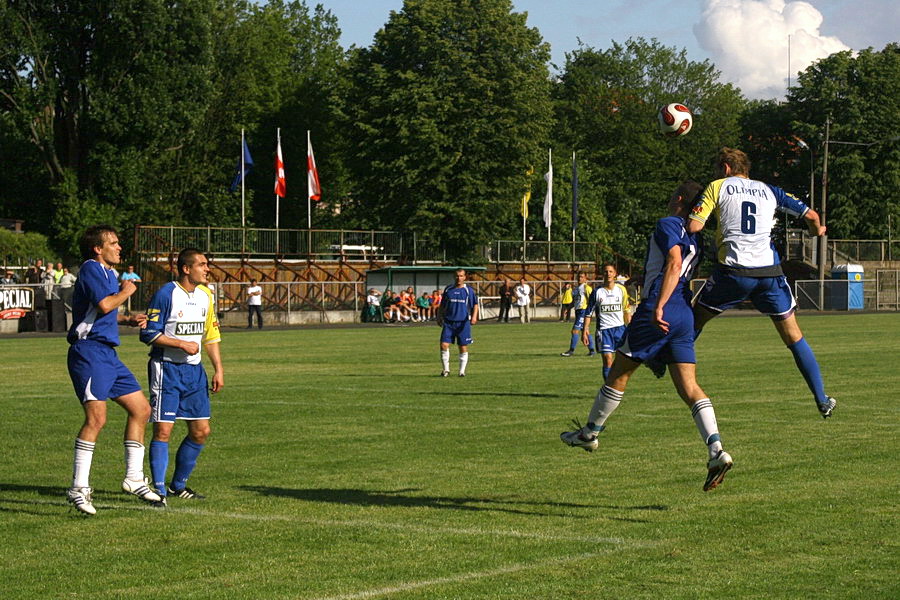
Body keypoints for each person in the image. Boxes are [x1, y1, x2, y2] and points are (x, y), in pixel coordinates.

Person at [560, 181, 733, 492]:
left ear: (679, 197)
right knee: (689, 386)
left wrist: (660, 305)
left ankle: (589, 434)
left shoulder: (669, 223)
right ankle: (716, 449)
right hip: (684, 311)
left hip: (661, 306)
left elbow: (674, 261)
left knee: (618, 373)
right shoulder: (699, 236)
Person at [687, 147, 836, 419]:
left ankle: (664, 362)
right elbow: (813, 217)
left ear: (726, 168)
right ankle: (822, 398)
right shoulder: (769, 190)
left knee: (694, 320)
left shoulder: (717, 187)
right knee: (794, 337)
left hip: (733, 272)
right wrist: (818, 231)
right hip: (768, 273)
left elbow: (695, 226)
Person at [65, 225, 163, 515]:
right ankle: (78, 489)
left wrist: (128, 319)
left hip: (107, 353)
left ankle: (133, 478)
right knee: (96, 419)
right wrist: (126, 292)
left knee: (141, 409)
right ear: (98, 248)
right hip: (90, 352)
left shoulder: (109, 272)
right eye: (114, 243)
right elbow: (105, 304)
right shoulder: (91, 269)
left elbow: (102, 311)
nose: (120, 248)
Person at [141, 248, 223, 503]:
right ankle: (159, 491)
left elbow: (210, 335)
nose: (207, 268)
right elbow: (148, 334)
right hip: (167, 369)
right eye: (202, 264)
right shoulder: (166, 294)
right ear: (186, 269)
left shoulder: (206, 296)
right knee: (163, 432)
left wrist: (218, 368)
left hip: (195, 373)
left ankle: (178, 485)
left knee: (201, 431)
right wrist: (180, 344)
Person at [583, 264, 631, 379]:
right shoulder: (597, 292)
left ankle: (615, 386)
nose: (608, 274)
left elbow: (626, 309)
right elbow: (588, 312)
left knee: (621, 362)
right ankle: (608, 390)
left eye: (610, 271)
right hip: (604, 331)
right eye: (606, 272)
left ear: (615, 274)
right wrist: (585, 329)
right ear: (603, 274)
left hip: (620, 329)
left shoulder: (621, 290)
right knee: (608, 360)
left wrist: (629, 327)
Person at [437, 268, 479, 377]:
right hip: (449, 322)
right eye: (457, 276)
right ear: (454, 276)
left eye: (461, 276)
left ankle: (461, 371)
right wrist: (439, 316)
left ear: (465, 277)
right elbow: (442, 305)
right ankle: (446, 370)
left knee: (462, 346)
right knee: (443, 345)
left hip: (463, 323)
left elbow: (475, 304)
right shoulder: (448, 289)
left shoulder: (468, 290)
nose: (459, 278)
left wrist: (474, 317)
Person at [561, 272, 594, 356]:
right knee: (585, 331)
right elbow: (574, 301)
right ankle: (592, 351)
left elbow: (592, 300)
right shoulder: (576, 289)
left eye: (582, 277)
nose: (580, 279)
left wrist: (589, 311)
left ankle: (571, 351)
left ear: (585, 279)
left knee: (575, 331)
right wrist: (568, 309)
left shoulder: (587, 288)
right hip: (578, 311)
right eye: (579, 277)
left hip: (583, 311)